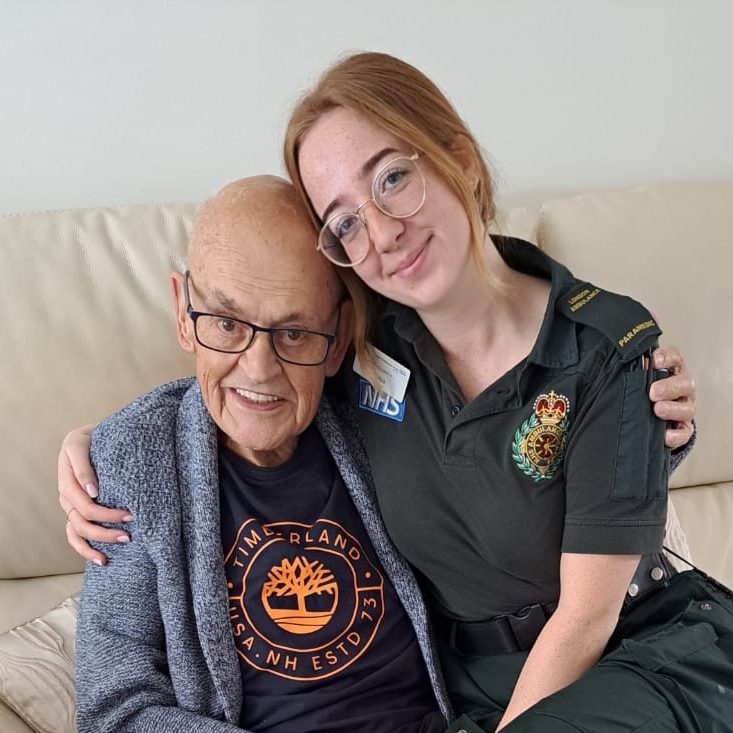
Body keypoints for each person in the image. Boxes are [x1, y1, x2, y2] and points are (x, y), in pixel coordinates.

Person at [59, 53, 713, 732]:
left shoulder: (399, 379)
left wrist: (644, 421)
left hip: (600, 667)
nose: (259, 367)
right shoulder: (151, 456)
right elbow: (113, 705)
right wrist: (96, 447)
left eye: (393, 179)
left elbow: (560, 557)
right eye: (344, 221)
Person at [73, 176, 448, 733]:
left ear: (338, 335)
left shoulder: (380, 417)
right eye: (227, 324)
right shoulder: (137, 461)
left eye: (294, 333)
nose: (259, 369)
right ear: (183, 312)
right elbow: (113, 709)